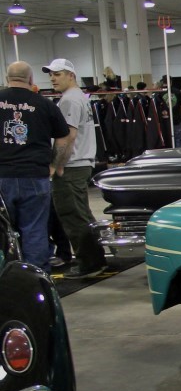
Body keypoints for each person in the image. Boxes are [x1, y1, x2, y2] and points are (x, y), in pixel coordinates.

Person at [0, 61, 70, 271]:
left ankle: (7, 275)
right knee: (35, 229)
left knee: (3, 230)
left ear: (7, 79)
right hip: (35, 175)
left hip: (3, 175)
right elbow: (63, 137)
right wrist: (54, 164)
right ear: (31, 80)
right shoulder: (45, 104)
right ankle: (36, 277)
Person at [45, 58, 107, 279]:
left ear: (71, 75)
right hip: (80, 163)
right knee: (82, 214)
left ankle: (89, 263)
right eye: (51, 75)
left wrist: (56, 165)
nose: (52, 79)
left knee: (72, 215)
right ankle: (95, 259)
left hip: (72, 165)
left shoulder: (69, 100)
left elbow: (68, 136)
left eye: (57, 74)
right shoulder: (80, 97)